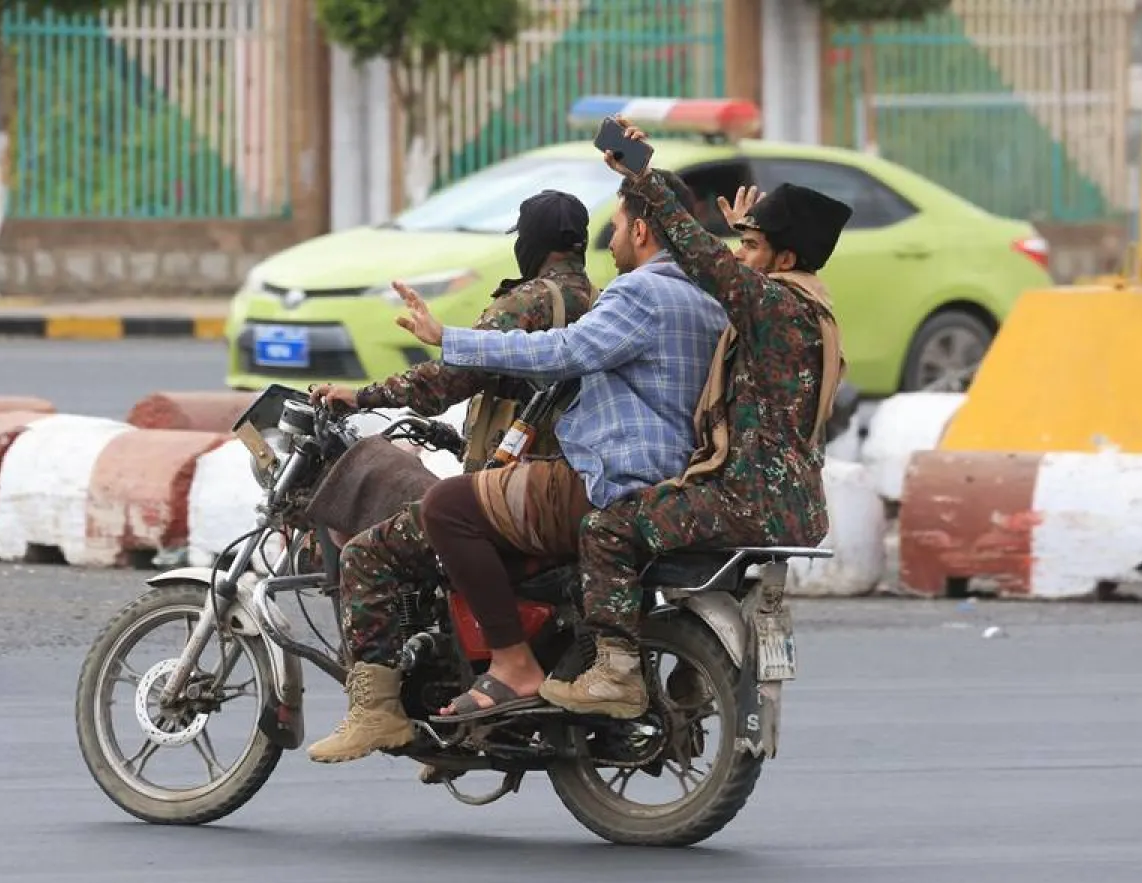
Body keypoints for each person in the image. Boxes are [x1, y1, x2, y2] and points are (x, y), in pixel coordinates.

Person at [306, 169, 729, 764]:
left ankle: (399, 703)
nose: (612, 239)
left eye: (618, 225)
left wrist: (396, 373)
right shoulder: (701, 296)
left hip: (596, 476)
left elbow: (544, 358)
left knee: (429, 517)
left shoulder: (609, 296)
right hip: (659, 478)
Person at [538, 121, 853, 719]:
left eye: (754, 249)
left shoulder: (772, 306)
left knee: (608, 529)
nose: (739, 255)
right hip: (798, 505)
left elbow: (703, 259)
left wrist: (643, 177)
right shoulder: (813, 311)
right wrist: (747, 235)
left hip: (748, 499)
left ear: (785, 259)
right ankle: (692, 673)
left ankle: (617, 673)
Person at [310, 189, 599, 474]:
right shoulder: (601, 299)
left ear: (534, 242)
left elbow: (455, 376)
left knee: (417, 516)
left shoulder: (529, 300)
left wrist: (363, 396)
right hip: (578, 469)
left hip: (518, 478)